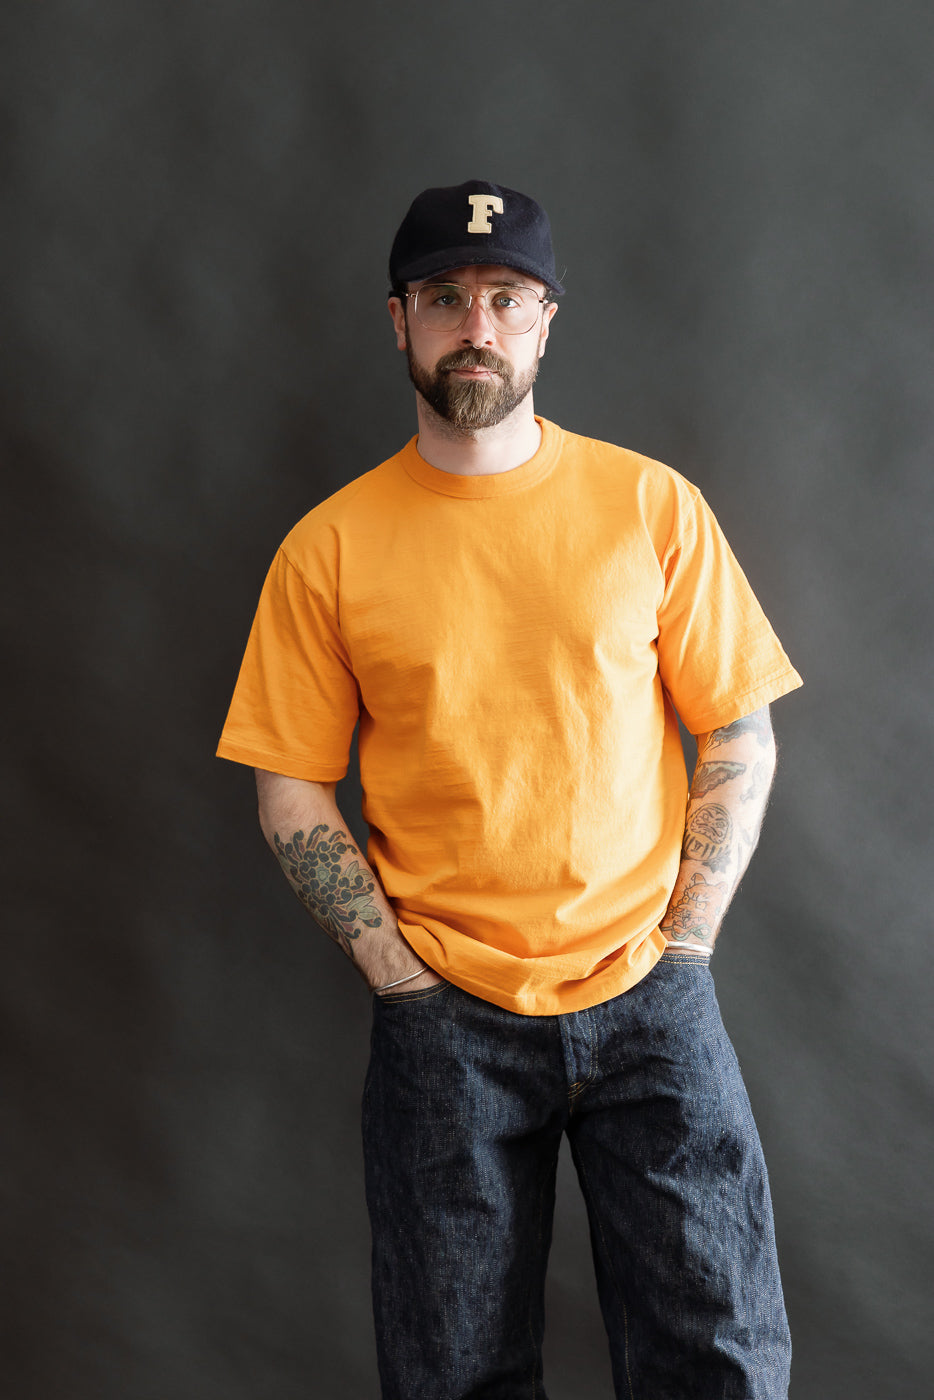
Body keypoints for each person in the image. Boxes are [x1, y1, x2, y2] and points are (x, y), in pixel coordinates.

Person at [217, 179, 802, 1399]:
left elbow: (738, 734)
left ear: (545, 323)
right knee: (453, 1375)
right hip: (445, 1023)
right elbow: (291, 790)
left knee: (720, 1360)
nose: (473, 324)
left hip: (651, 998)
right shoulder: (327, 547)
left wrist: (686, 946)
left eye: (503, 297)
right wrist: (401, 979)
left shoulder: (650, 506)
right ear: (399, 322)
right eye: (444, 299)